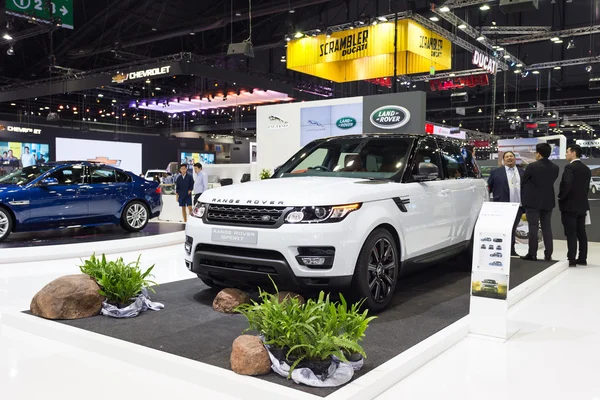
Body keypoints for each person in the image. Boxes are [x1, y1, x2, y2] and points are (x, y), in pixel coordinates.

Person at [520, 143, 560, 261]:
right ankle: (548, 254)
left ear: (538, 153)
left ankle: (532, 254)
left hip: (532, 202)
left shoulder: (532, 166)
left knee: (533, 227)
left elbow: (524, 181)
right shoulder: (555, 167)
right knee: (547, 227)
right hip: (548, 201)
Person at [558, 144, 592, 267]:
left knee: (571, 232)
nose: (566, 154)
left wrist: (561, 197)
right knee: (581, 232)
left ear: (573, 153)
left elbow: (567, 184)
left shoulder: (570, 168)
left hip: (569, 205)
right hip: (582, 205)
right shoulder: (586, 169)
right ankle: (582, 258)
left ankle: (571, 258)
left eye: (567, 151)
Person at [487, 151, 524, 257]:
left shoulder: (522, 172)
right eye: (507, 156)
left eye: (511, 156)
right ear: (503, 160)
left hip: (518, 206)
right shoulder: (496, 172)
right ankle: (501, 249)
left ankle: (512, 250)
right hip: (502, 205)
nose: (509, 158)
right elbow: (489, 187)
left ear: (515, 158)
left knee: (513, 228)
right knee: (503, 229)